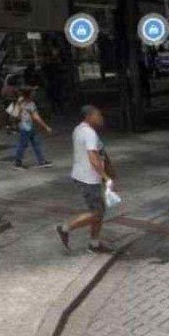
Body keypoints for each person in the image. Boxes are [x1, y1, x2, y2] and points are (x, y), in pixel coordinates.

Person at [56, 105, 116, 254]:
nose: (101, 118)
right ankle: (65, 228)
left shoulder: (79, 129)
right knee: (96, 212)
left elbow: (100, 151)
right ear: (88, 117)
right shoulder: (89, 133)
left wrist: (108, 168)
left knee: (99, 211)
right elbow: (93, 158)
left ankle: (94, 244)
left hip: (84, 175)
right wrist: (106, 177)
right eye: (98, 115)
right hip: (89, 178)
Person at [11, 88, 53, 169]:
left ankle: (41, 161)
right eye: (33, 92)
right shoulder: (30, 104)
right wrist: (46, 127)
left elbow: (14, 114)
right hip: (27, 126)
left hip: (23, 125)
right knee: (23, 144)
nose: (35, 94)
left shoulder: (20, 101)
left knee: (34, 143)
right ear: (29, 94)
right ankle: (17, 163)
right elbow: (36, 117)